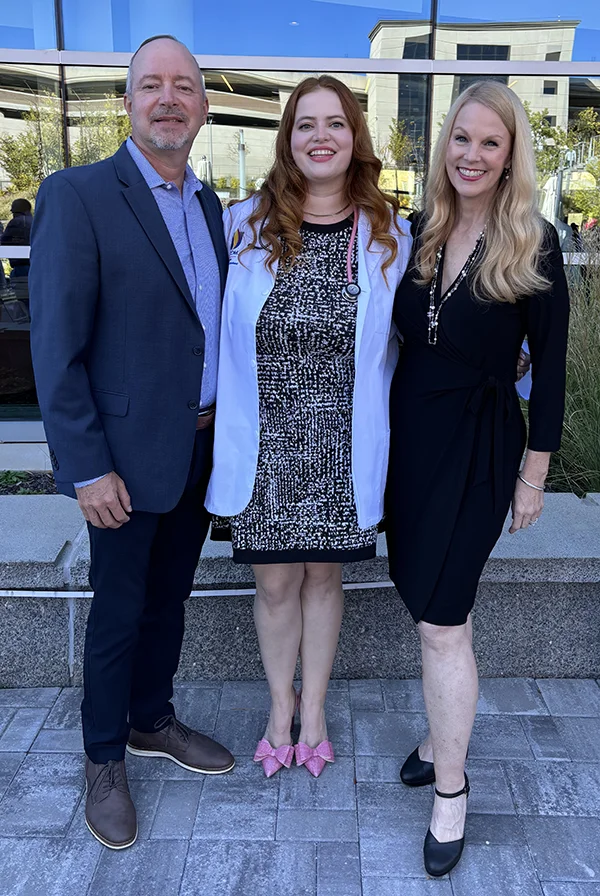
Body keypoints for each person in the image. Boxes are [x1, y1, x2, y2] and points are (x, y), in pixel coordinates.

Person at [29, 35, 234, 851]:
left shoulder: (212, 206)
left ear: (203, 109)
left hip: (197, 451)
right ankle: (103, 757)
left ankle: (152, 718)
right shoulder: (78, 195)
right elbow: (57, 351)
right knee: (117, 611)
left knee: (170, 599)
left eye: (184, 86)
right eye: (151, 85)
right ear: (126, 103)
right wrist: (86, 468)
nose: (169, 98)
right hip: (118, 460)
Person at [385, 80, 569, 877]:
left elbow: (552, 371)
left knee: (443, 620)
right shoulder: (418, 227)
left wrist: (535, 477)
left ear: (510, 154)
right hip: (409, 446)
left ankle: (451, 789)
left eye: (489, 142)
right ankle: (437, 734)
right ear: (445, 144)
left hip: (484, 449)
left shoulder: (536, 239)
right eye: (461, 138)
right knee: (420, 598)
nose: (471, 154)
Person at [206, 75, 412, 778]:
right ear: (288, 139)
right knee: (272, 586)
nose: (320, 136)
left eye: (335, 123)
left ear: (354, 137)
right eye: (305, 124)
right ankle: (277, 708)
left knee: (325, 580)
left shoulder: (391, 234)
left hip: (343, 445)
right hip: (263, 444)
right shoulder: (242, 225)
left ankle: (315, 709)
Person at [1, 198, 33, 283]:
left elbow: (4, 242)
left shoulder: (16, 222)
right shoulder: (35, 222)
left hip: (21, 268)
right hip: (35, 265)